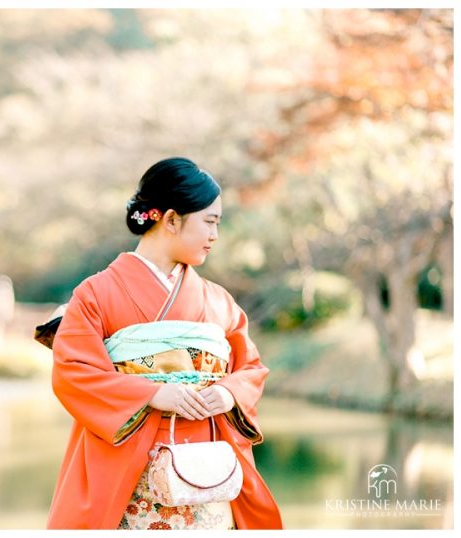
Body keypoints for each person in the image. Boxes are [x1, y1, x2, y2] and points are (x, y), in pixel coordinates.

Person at [44, 157, 283, 529]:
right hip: (128, 465)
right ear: (171, 220)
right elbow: (74, 373)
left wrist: (229, 393)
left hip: (207, 464)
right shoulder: (95, 294)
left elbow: (250, 368)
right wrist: (152, 393)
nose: (215, 235)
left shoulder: (219, 301)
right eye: (209, 222)